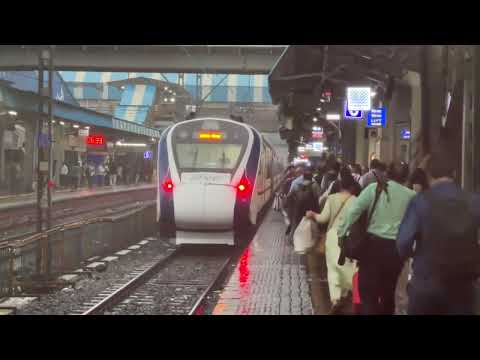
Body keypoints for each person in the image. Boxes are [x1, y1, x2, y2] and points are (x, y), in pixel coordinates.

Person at [397, 151, 480, 315]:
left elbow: (403, 242)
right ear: (454, 174)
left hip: (426, 284)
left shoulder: (420, 201)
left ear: (428, 175)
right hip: (462, 286)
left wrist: (413, 256)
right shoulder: (474, 201)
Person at [337, 161, 416, 315]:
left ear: (387, 173)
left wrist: (342, 234)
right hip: (396, 251)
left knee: (368, 295)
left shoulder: (374, 189)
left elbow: (353, 211)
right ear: (406, 177)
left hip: (372, 248)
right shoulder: (412, 196)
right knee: (388, 295)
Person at [306, 167, 358, 314]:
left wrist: (312, 215)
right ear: (352, 187)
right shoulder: (356, 201)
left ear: (340, 186)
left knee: (333, 268)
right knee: (348, 267)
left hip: (333, 237)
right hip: (349, 237)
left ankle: (335, 299)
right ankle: (346, 293)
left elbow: (322, 218)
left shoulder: (332, 198)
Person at [285, 167, 319, 238]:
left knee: (295, 224)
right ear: (311, 177)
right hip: (310, 210)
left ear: (303, 176)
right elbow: (318, 196)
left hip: (298, 209)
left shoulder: (296, 183)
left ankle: (291, 238)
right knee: (311, 226)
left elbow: (289, 196)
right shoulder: (314, 184)